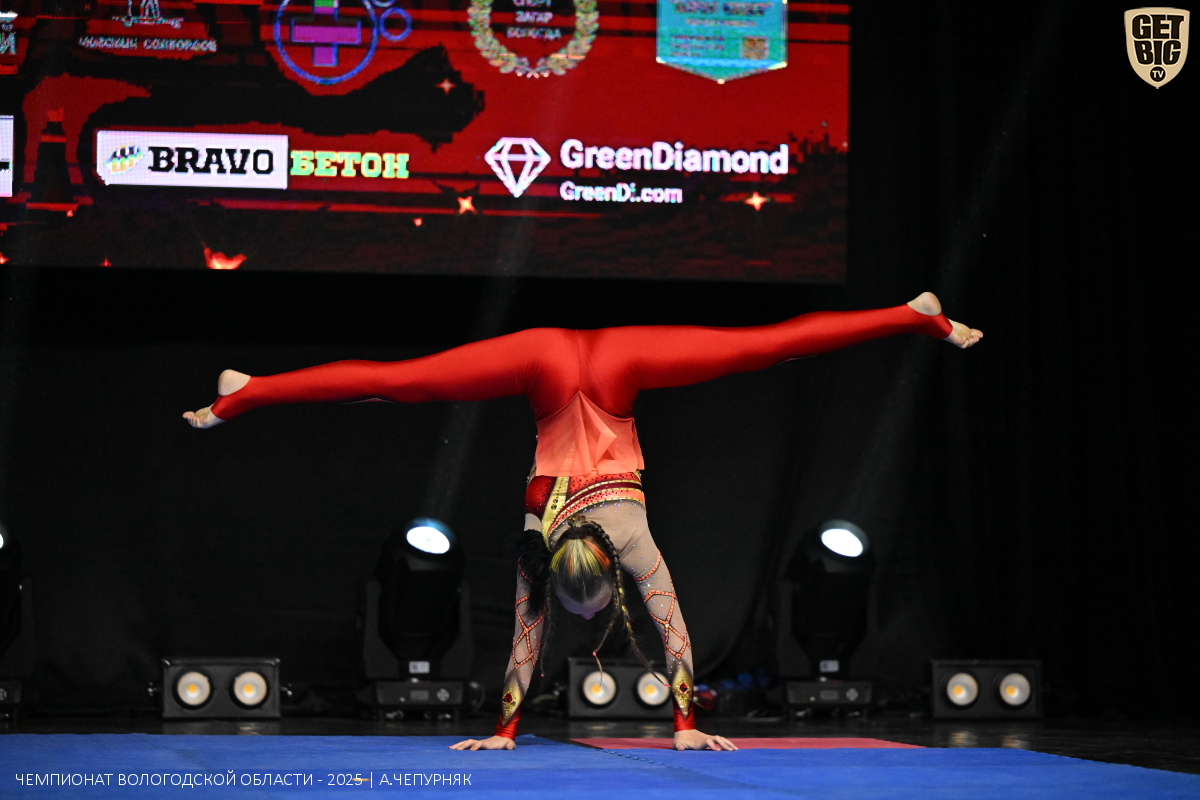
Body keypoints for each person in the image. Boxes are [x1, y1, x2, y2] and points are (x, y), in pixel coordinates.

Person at [184, 292, 981, 751]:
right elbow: (527, 646)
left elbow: (672, 635)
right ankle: (916, 316)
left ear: (600, 579)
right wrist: (506, 730)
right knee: (401, 383)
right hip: (550, 368)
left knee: (760, 347)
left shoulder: (627, 539)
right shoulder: (538, 543)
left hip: (611, 371)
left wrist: (684, 722)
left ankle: (247, 390)